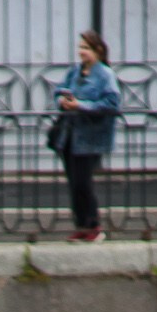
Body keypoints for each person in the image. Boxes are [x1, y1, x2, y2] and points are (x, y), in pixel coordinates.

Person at [53, 31, 121, 244]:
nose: (81, 52)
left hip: (90, 137)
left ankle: (94, 226)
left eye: (86, 48)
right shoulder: (75, 72)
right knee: (74, 183)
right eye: (80, 47)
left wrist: (81, 106)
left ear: (98, 51)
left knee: (83, 183)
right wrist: (63, 100)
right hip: (70, 135)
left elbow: (111, 103)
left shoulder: (105, 75)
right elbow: (60, 90)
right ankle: (81, 225)